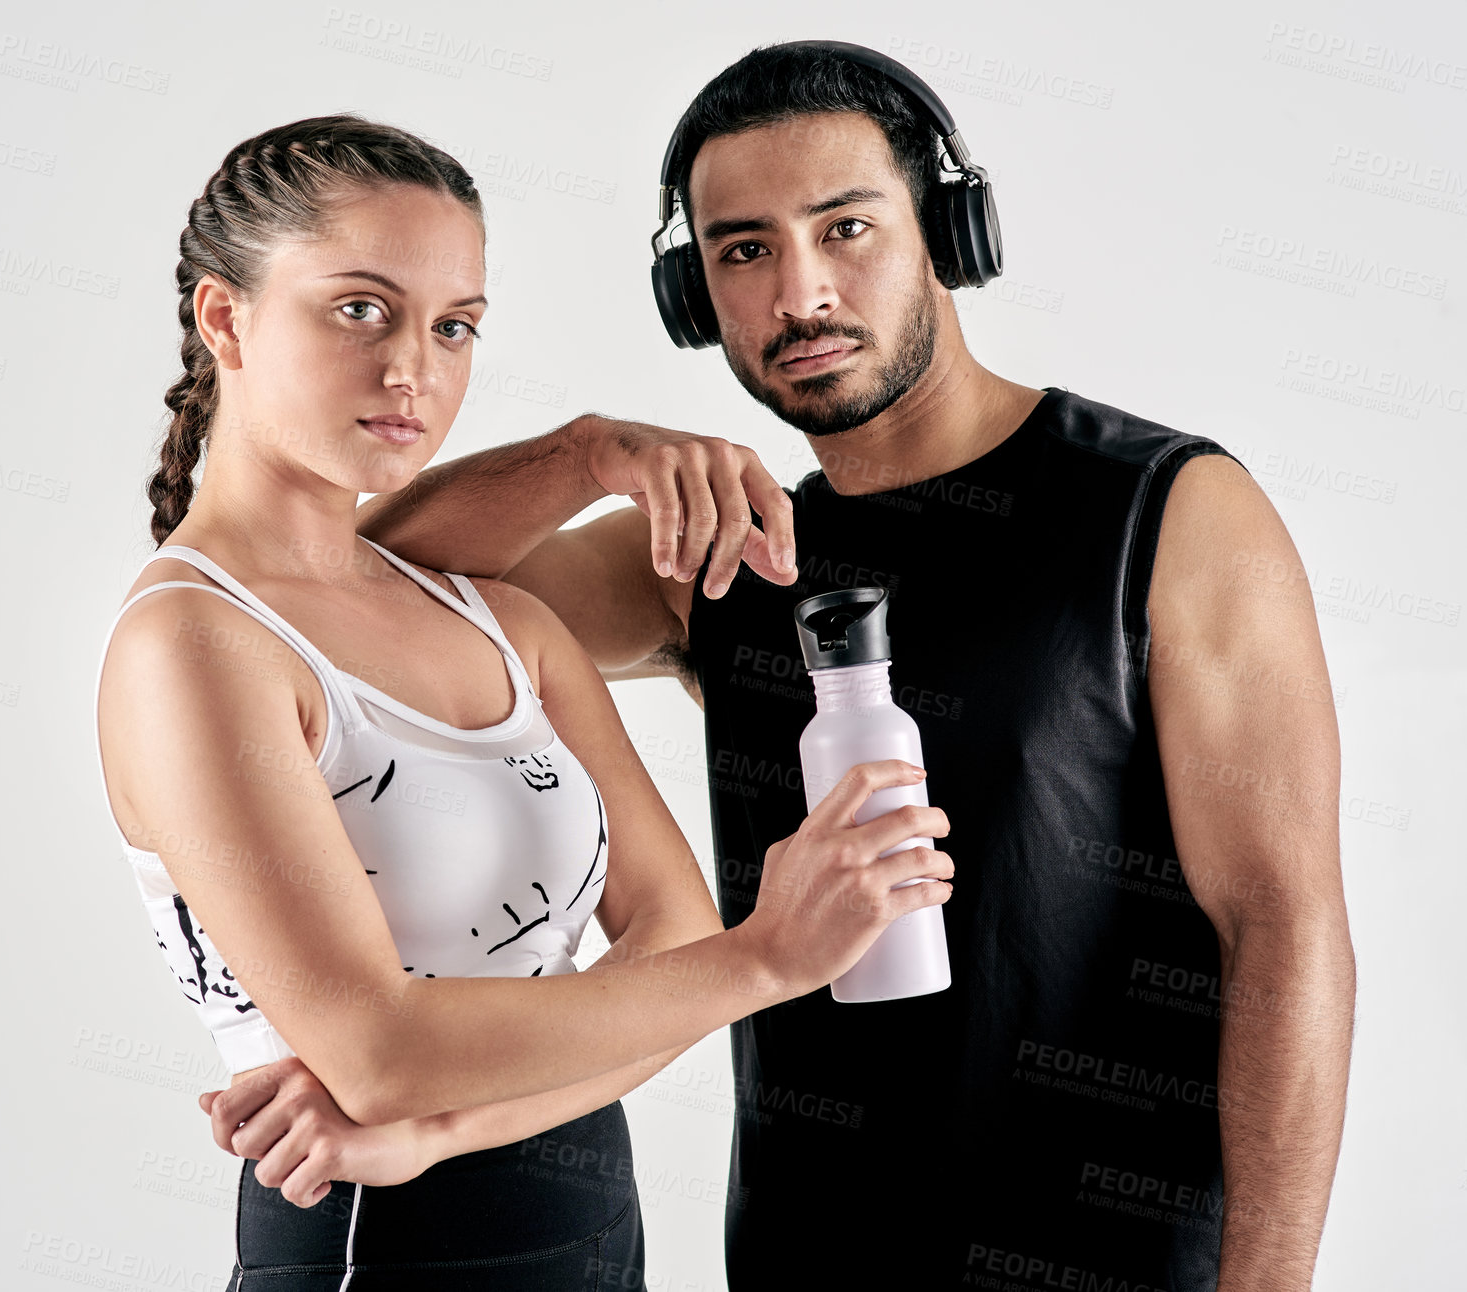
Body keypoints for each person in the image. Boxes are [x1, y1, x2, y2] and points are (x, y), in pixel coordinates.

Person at [315, 42, 1357, 1289]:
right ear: (694, 297)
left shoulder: (1167, 510)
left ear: (944, 232)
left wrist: (1271, 1280)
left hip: (1120, 1257)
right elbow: (346, 600)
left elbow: (1281, 923)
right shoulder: (721, 557)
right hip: (806, 1256)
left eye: (845, 227)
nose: (799, 294)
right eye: (743, 251)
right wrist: (585, 453)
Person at [91, 111, 955, 1291]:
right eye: (359, 309)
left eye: (454, 327)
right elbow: (380, 1047)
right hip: (374, 1246)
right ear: (223, 316)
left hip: (592, 1222)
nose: (413, 368)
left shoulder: (501, 622)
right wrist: (768, 959)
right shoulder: (190, 643)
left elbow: (672, 943)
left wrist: (450, 1124)